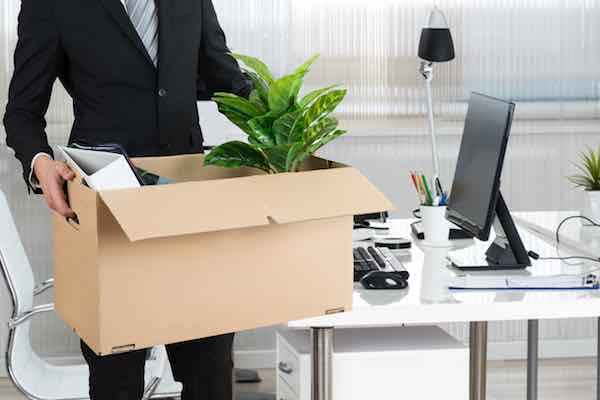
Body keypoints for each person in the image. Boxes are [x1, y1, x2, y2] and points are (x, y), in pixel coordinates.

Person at [3, 0, 251, 398]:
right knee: (116, 380)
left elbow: (224, 77)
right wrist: (40, 163)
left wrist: (282, 119)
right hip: (107, 215)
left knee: (211, 370)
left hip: (189, 213)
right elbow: (21, 113)